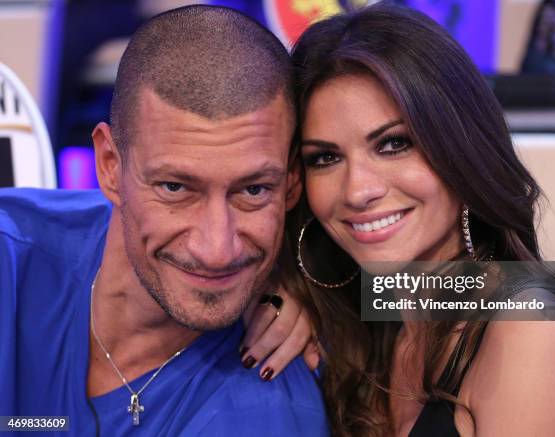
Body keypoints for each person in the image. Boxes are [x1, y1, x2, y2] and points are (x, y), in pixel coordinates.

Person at [277, 4, 555, 436]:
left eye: (394, 144)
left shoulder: (534, 328)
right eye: (325, 157)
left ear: (462, 149)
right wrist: (282, 297)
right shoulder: (371, 325)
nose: (358, 191)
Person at [0, 5, 328, 436]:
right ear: (110, 165)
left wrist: (327, 288)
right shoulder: (13, 253)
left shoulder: (268, 412)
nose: (217, 248)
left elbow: (433, 289)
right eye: (175, 188)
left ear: (291, 183)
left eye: (253, 190)